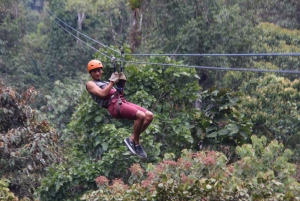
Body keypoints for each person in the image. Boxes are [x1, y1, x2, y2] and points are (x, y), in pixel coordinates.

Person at [86, 59, 154, 158]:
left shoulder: (105, 83)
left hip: (121, 101)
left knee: (149, 116)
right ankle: (136, 143)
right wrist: (112, 82)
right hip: (113, 105)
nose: (97, 73)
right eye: (94, 71)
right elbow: (102, 94)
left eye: (99, 70)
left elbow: (119, 92)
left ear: (102, 71)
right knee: (141, 116)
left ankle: (131, 139)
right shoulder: (90, 84)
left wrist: (122, 82)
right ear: (91, 73)